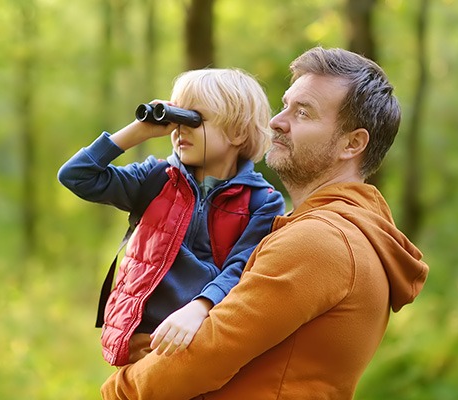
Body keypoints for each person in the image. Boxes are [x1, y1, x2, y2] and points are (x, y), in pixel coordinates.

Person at [101, 47, 430, 399]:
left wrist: (117, 391)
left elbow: (208, 352)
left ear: (352, 144)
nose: (276, 121)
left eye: (303, 113)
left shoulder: (320, 241)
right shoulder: (346, 231)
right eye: (286, 105)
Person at [57, 68, 285, 367]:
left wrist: (200, 307)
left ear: (238, 132)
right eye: (174, 118)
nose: (178, 129)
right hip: (143, 342)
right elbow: (77, 176)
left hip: (205, 338)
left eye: (193, 119)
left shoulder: (262, 201)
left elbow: (243, 268)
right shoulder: (156, 178)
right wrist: (139, 130)